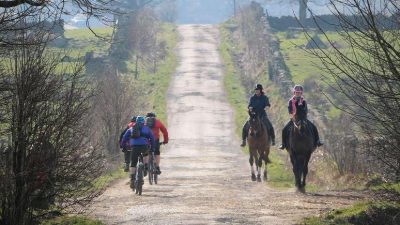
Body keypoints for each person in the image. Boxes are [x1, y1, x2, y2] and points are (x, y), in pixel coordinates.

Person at [279, 85, 323, 150]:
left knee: (314, 127)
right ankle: (283, 144)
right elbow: (290, 111)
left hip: (303, 119)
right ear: (294, 93)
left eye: (299, 92)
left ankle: (318, 141)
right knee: (284, 129)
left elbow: (306, 110)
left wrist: (302, 111)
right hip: (294, 119)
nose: (298, 94)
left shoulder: (304, 101)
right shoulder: (291, 101)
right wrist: (294, 113)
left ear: (301, 93)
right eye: (296, 92)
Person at [121, 116, 155, 189]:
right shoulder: (147, 129)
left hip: (134, 147)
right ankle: (145, 166)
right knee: (146, 154)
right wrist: (152, 148)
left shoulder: (131, 129)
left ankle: (132, 179)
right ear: (144, 122)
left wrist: (123, 147)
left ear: (136, 121)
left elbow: (124, 138)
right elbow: (152, 138)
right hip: (144, 146)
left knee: (133, 163)